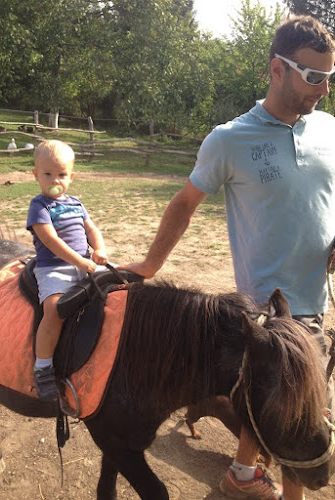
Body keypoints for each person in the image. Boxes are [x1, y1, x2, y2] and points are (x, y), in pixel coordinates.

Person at [124, 15, 335, 500]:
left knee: (283, 408)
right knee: (292, 414)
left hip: (314, 300)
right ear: (277, 70)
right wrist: (150, 266)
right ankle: (271, 489)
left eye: (329, 77)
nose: (322, 89)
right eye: (313, 76)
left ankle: (242, 475)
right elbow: (183, 203)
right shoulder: (229, 139)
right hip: (267, 311)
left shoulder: (324, 128)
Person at [27, 140, 108, 401]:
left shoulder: (76, 203)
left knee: (123, 286)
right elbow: (51, 241)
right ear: (36, 175)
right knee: (53, 308)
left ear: (71, 176)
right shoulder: (39, 206)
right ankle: (43, 367)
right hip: (54, 267)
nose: (55, 179)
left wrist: (99, 249)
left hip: (84, 262)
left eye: (61, 174)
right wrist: (81, 262)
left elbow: (92, 230)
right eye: (48, 174)